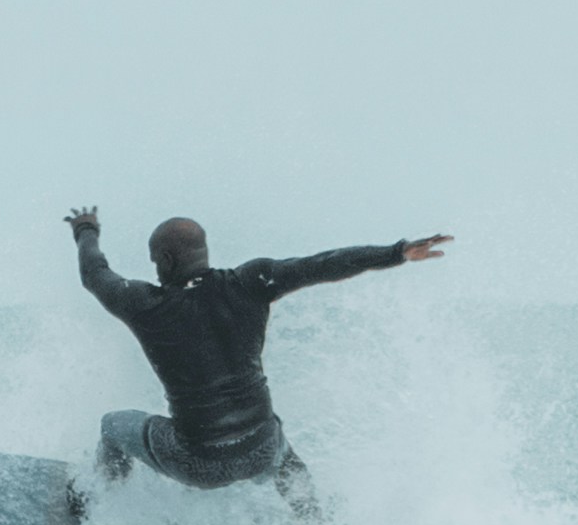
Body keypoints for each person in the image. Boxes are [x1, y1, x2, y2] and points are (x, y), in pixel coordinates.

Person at [68, 206, 452, 496]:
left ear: (165, 261)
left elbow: (94, 274)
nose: (155, 269)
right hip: (260, 451)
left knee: (113, 426)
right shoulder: (251, 283)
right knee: (276, 442)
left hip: (198, 462)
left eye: (156, 261)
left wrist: (86, 229)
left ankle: (96, 506)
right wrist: (396, 252)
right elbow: (320, 266)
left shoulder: (143, 303)